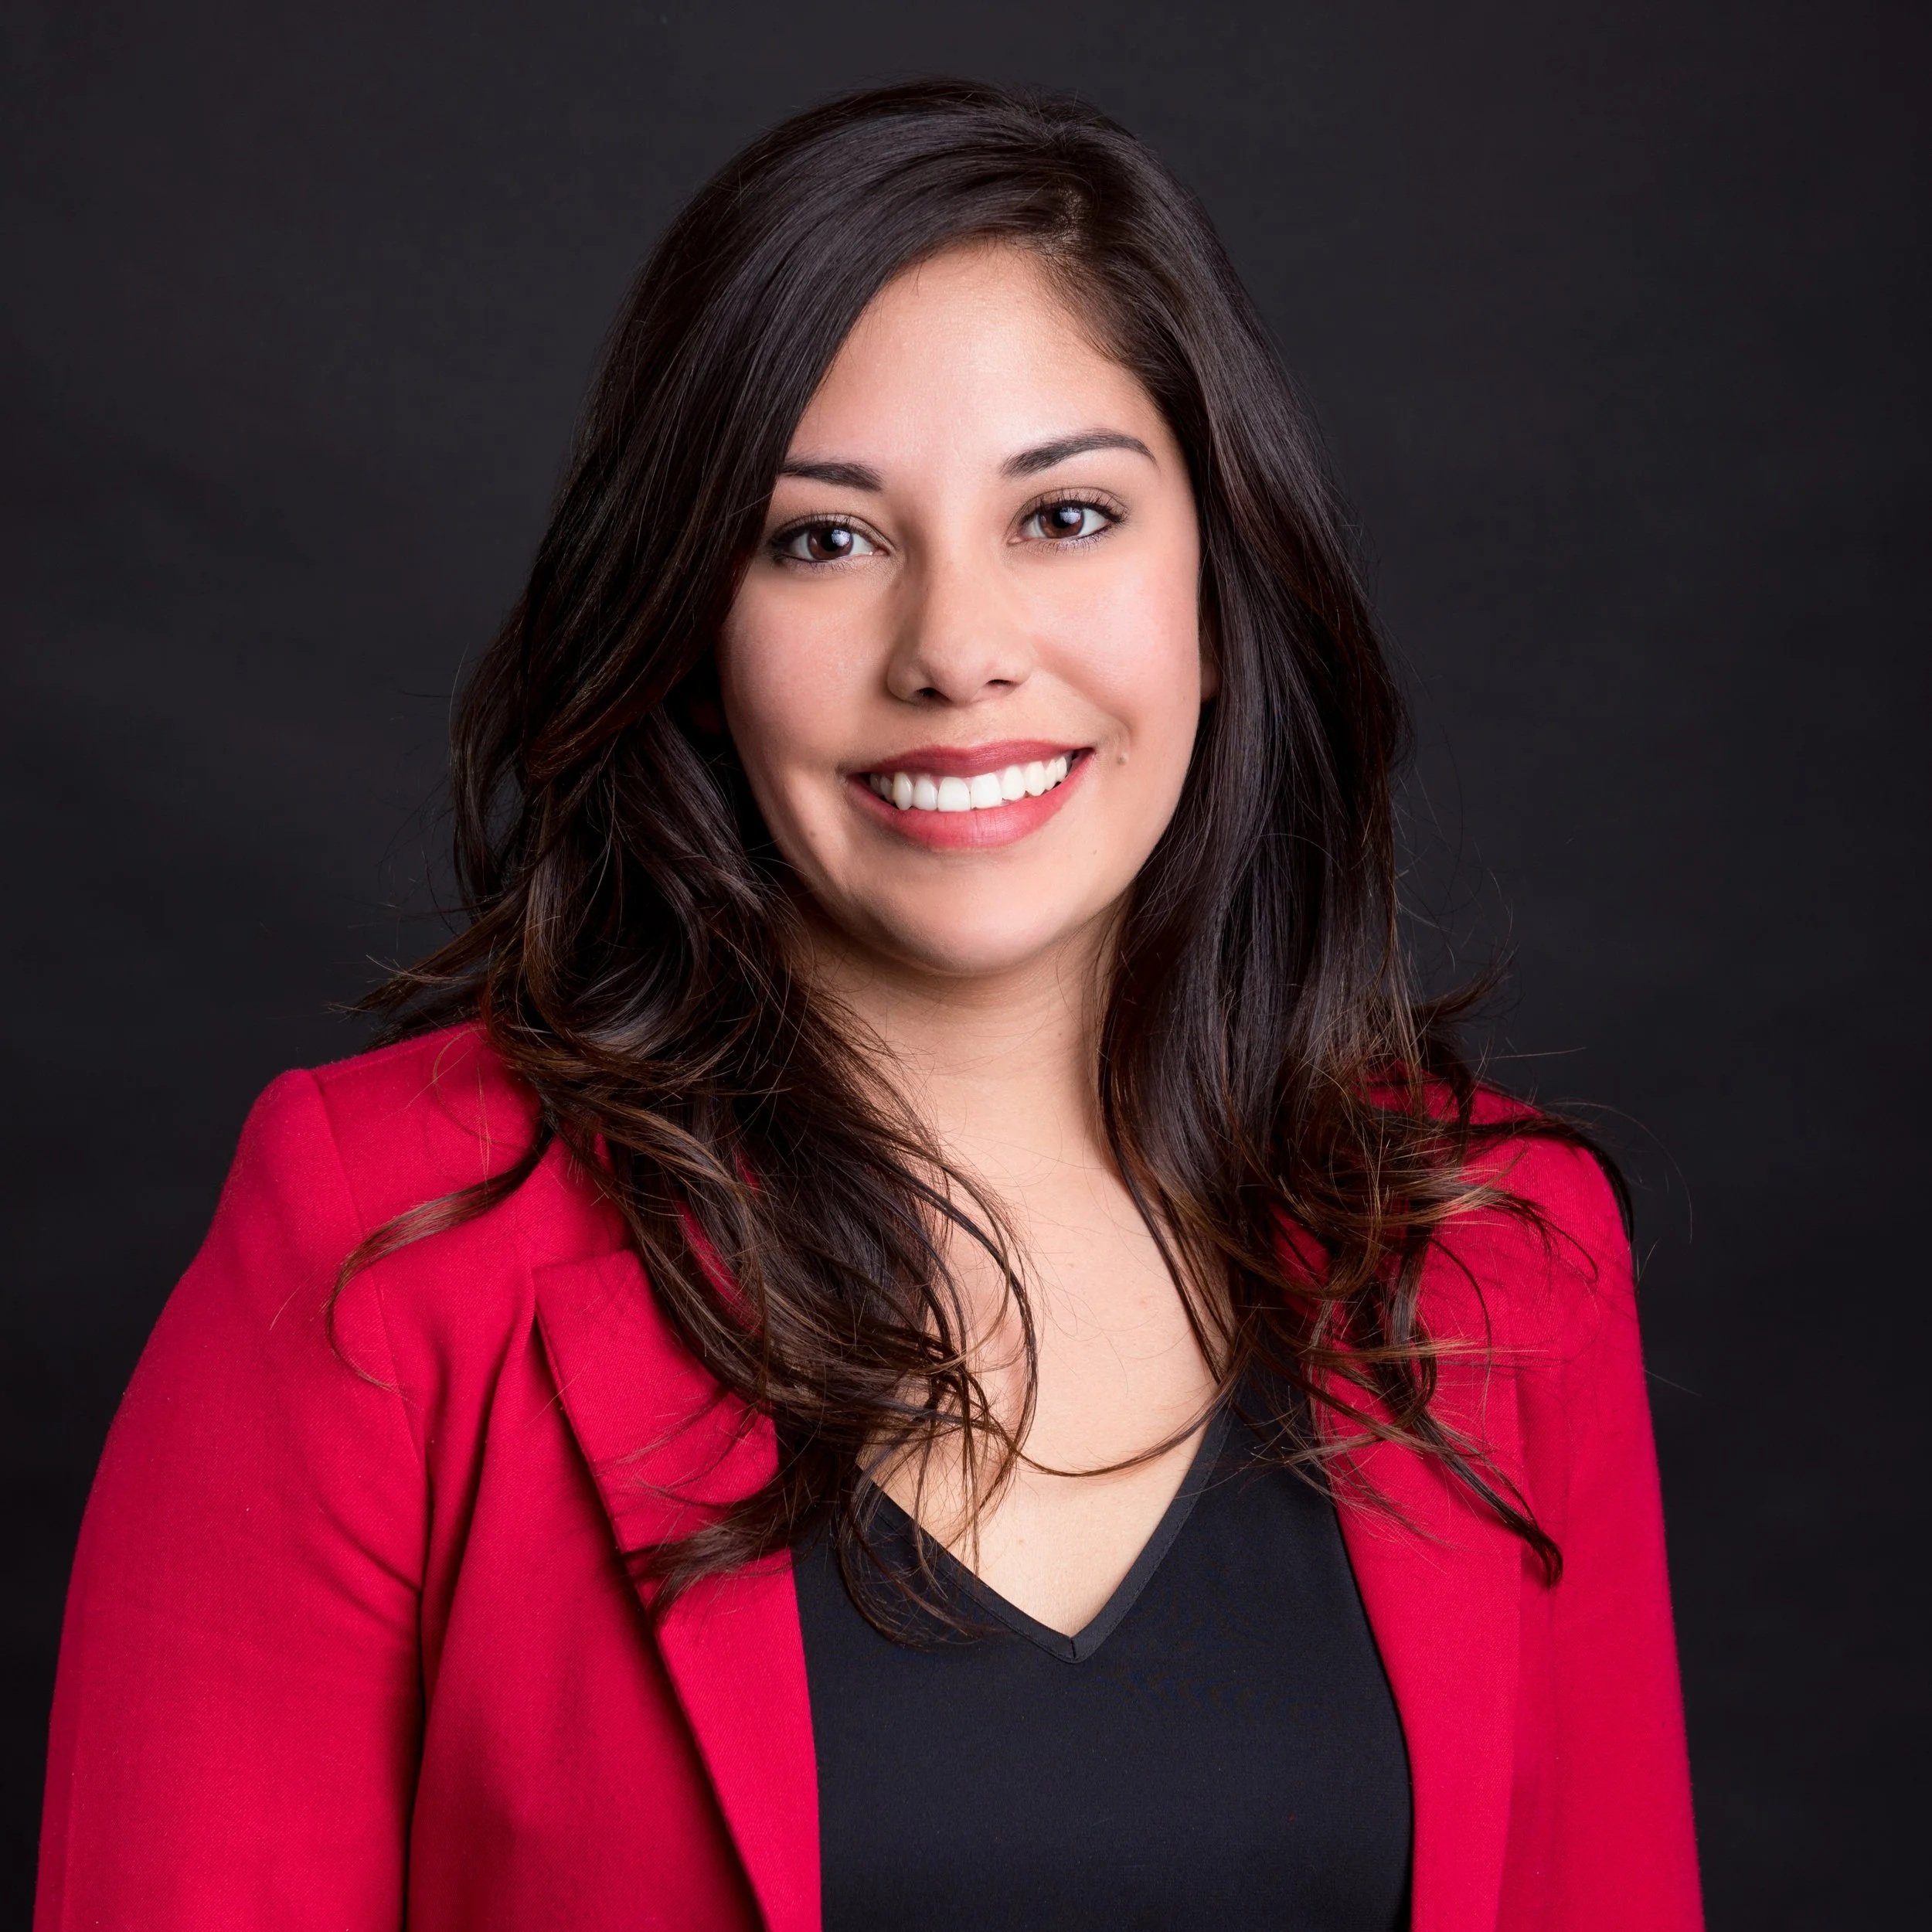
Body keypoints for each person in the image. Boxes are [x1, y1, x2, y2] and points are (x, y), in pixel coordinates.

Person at [32, 78, 1703, 1932]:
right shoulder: (379, 1250)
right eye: (821, 538)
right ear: (689, 624)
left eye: (1064, 514)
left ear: (1220, 595)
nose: (956, 648)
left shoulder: (1498, 1249)